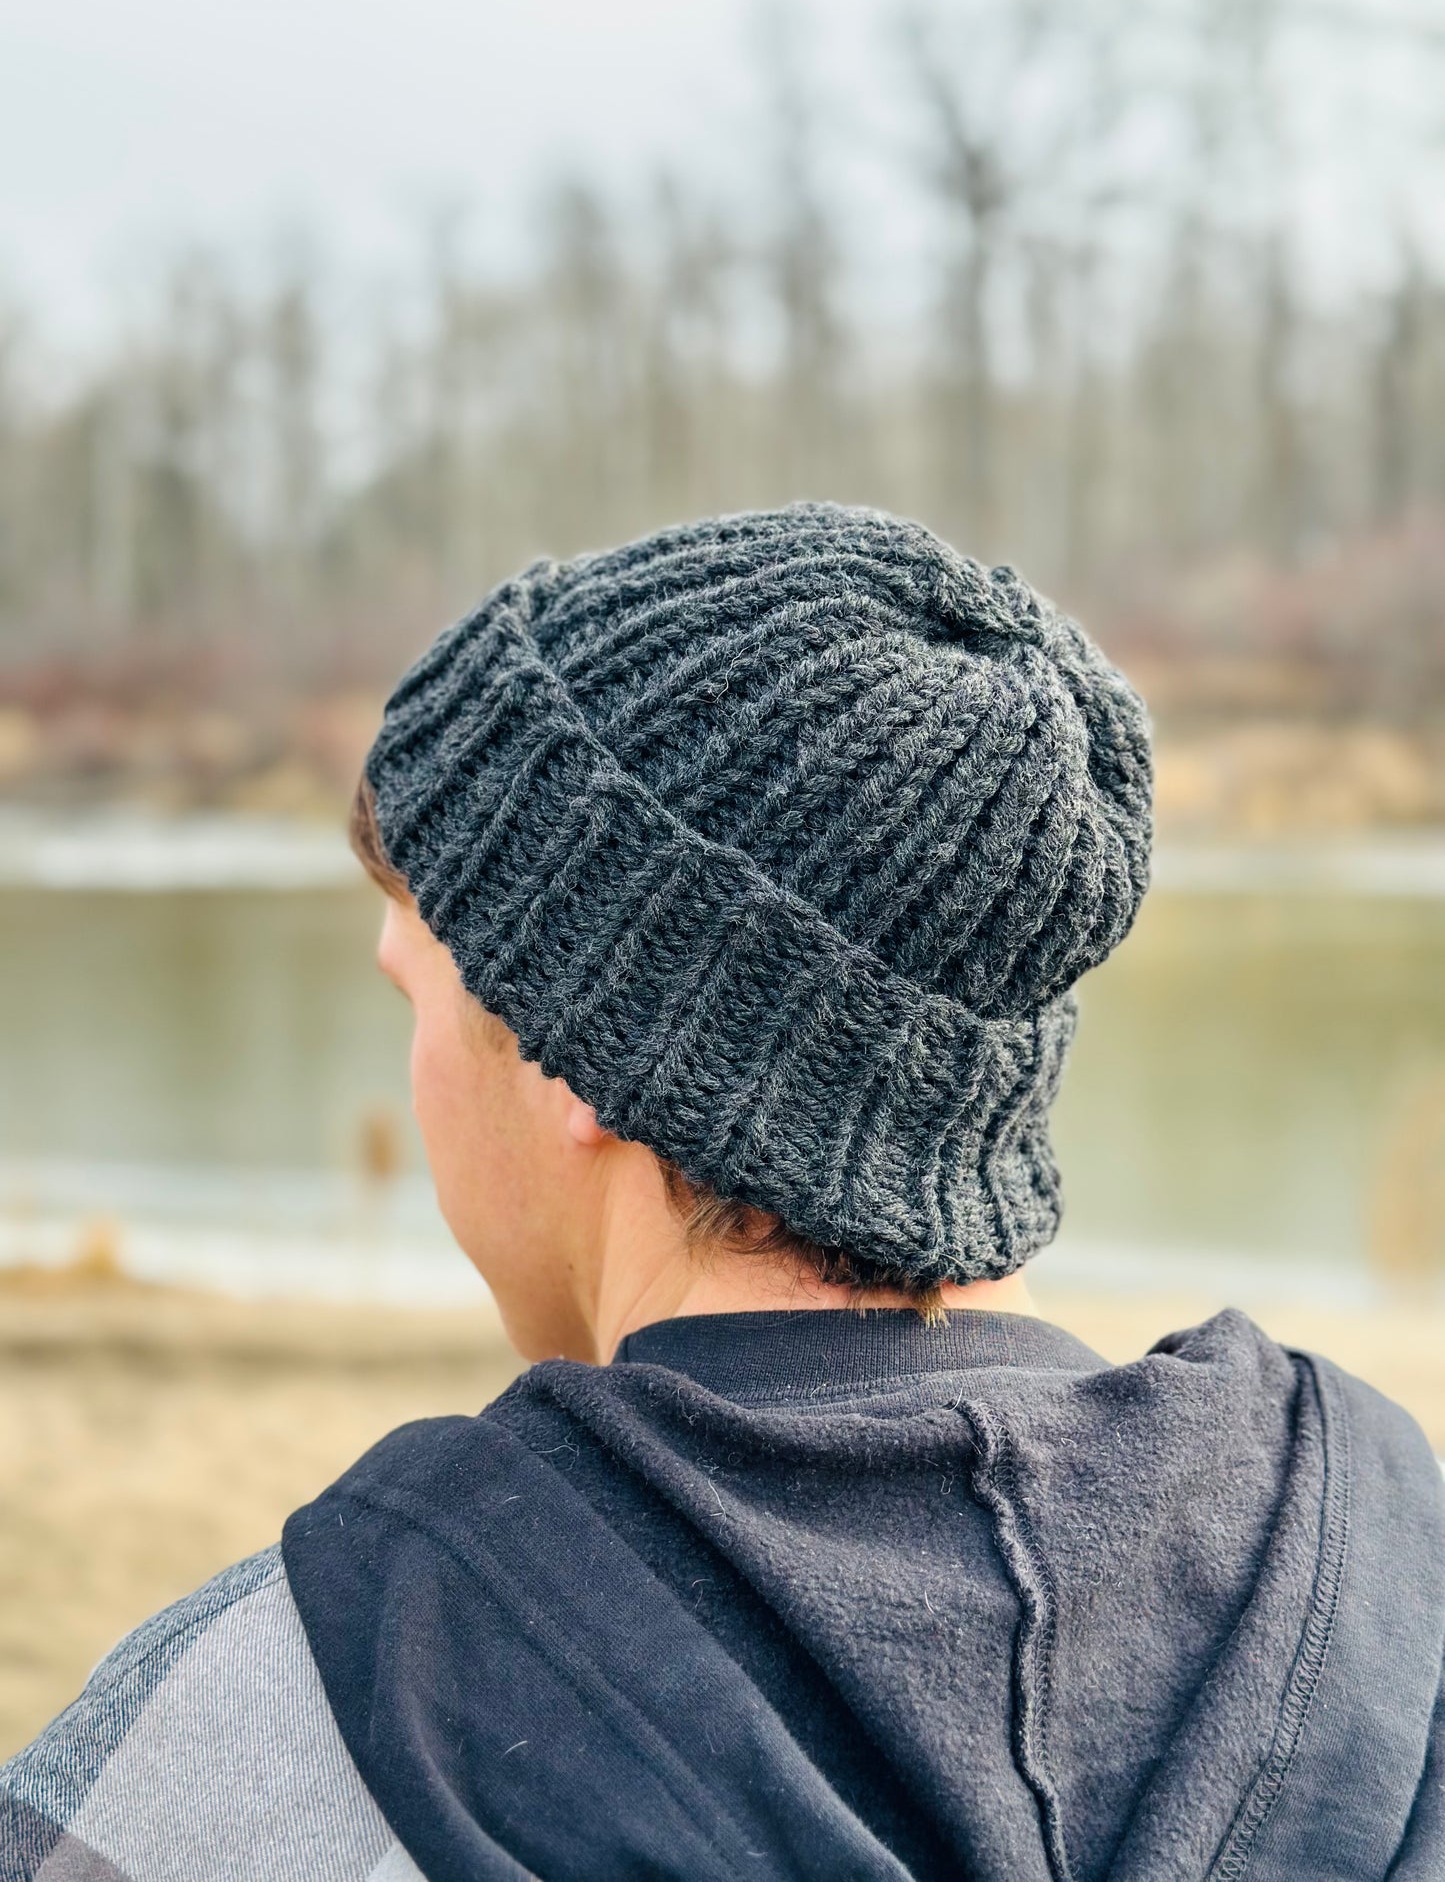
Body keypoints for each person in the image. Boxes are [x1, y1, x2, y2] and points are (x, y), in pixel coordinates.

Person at [2, 501, 1441, 1881]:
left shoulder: (301, 1714)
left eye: (414, 992)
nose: (417, 1069)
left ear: (577, 1037)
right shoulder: (1384, 1593)